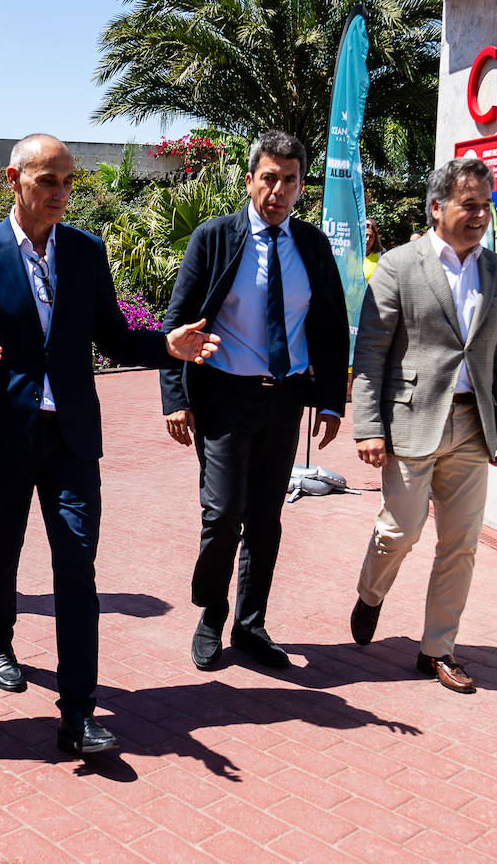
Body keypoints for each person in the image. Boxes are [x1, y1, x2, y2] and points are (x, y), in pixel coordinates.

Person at [0, 134, 219, 756]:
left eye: (67, 182)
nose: (61, 194)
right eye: (47, 181)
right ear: (14, 179)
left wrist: (165, 347)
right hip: (7, 433)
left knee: (76, 566)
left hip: (71, 438)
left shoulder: (86, 252)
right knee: (2, 544)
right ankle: (0, 636)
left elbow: (115, 338)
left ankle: (78, 711)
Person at [160, 130, 350, 672]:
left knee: (266, 517)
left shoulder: (311, 245)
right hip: (223, 395)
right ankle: (211, 613)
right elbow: (178, 323)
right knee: (223, 514)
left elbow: (332, 329)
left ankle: (250, 626)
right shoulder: (215, 238)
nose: (278, 190)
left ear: (300, 185)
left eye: (290, 180)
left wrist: (331, 401)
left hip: (284, 399)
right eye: (269, 178)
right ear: (249, 180)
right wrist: (176, 396)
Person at [348, 157, 497, 694]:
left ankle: (438, 649)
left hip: (473, 424)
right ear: (437, 208)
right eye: (469, 204)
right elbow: (371, 352)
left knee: (460, 543)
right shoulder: (400, 265)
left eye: (486, 206)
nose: (480, 215)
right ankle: (371, 592)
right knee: (400, 530)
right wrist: (368, 427)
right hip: (412, 421)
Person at [363, 217, 384, 282]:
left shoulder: (381, 255)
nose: (367, 239)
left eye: (371, 236)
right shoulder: (349, 253)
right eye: (365, 235)